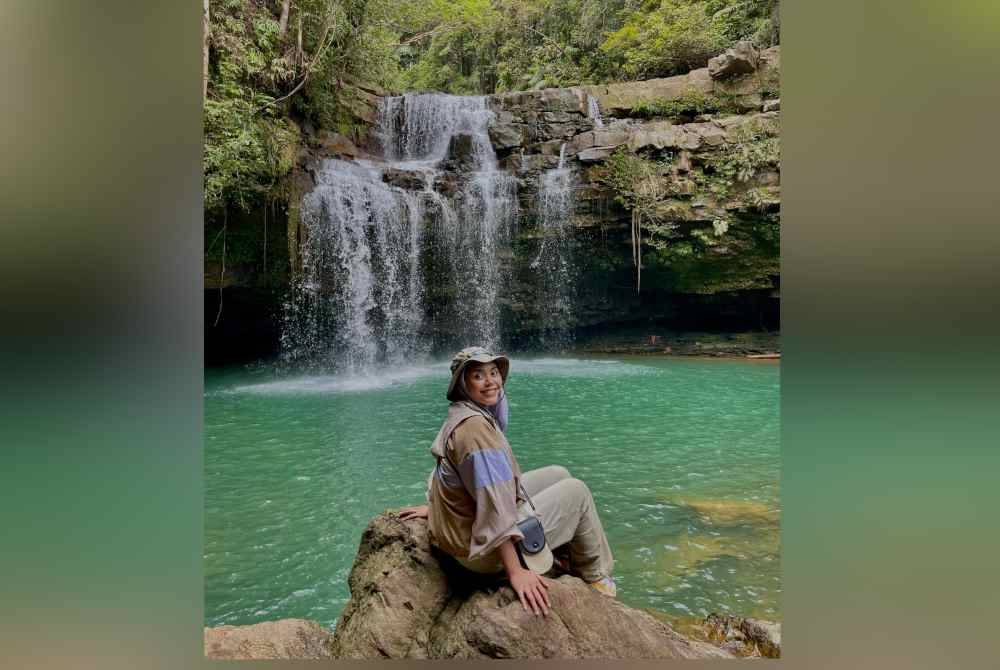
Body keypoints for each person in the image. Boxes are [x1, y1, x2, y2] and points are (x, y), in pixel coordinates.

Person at [399, 346, 616, 617]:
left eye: (494, 373)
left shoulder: (463, 412)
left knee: (559, 473)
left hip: (466, 531)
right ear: (462, 384)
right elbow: (495, 506)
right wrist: (516, 571)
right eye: (478, 375)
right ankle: (595, 578)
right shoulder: (476, 431)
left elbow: (454, 479)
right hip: (480, 552)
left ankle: (563, 556)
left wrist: (437, 510)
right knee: (577, 491)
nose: (490, 381)